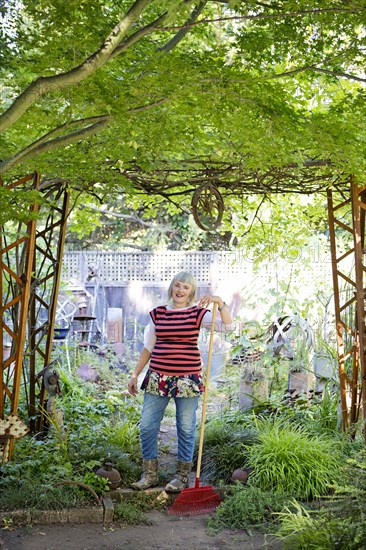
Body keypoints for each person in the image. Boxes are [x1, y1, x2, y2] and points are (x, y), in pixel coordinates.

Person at [127, 271, 233, 492]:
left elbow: (228, 326)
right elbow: (148, 347)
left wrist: (219, 302)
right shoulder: (159, 314)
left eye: (186, 287)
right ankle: (149, 474)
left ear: (191, 291)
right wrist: (135, 374)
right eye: (177, 285)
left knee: (185, 428)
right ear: (171, 288)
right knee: (147, 426)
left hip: (187, 379)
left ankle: (182, 476)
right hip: (158, 377)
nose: (180, 290)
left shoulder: (198, 314)